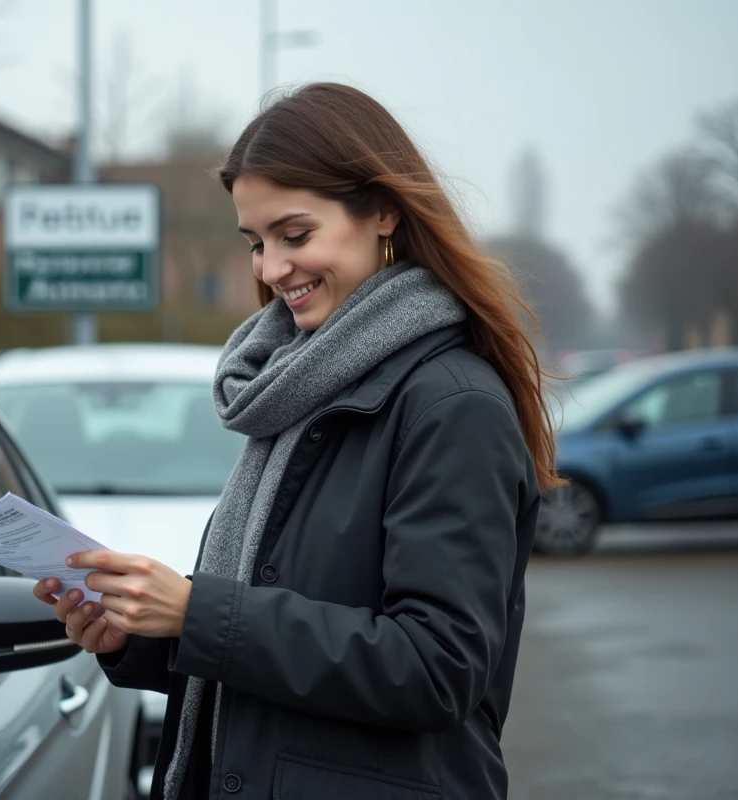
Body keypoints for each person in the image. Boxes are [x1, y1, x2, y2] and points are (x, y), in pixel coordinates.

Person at [35, 82, 561, 800]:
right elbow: (267, 648)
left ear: (382, 211)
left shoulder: (452, 404)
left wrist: (196, 611)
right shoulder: (296, 389)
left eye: (295, 234)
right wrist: (140, 635)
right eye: (255, 243)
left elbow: (437, 668)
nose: (270, 269)